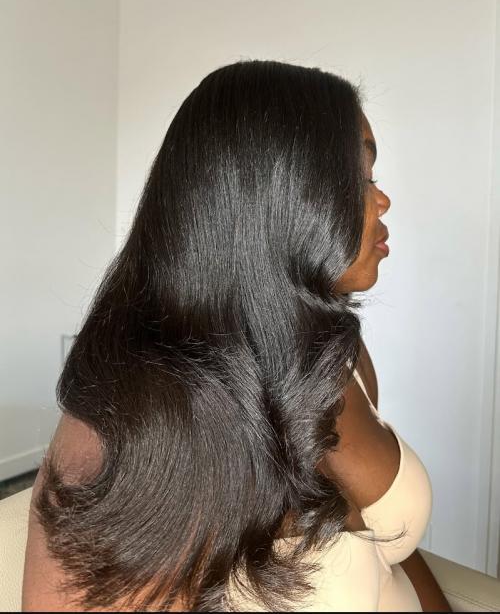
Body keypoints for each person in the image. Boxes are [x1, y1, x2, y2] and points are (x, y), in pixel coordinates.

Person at [22, 59, 451, 612]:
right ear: (269, 198)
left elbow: (387, 548)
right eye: (360, 176)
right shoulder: (144, 432)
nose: (382, 199)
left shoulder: (333, 349)